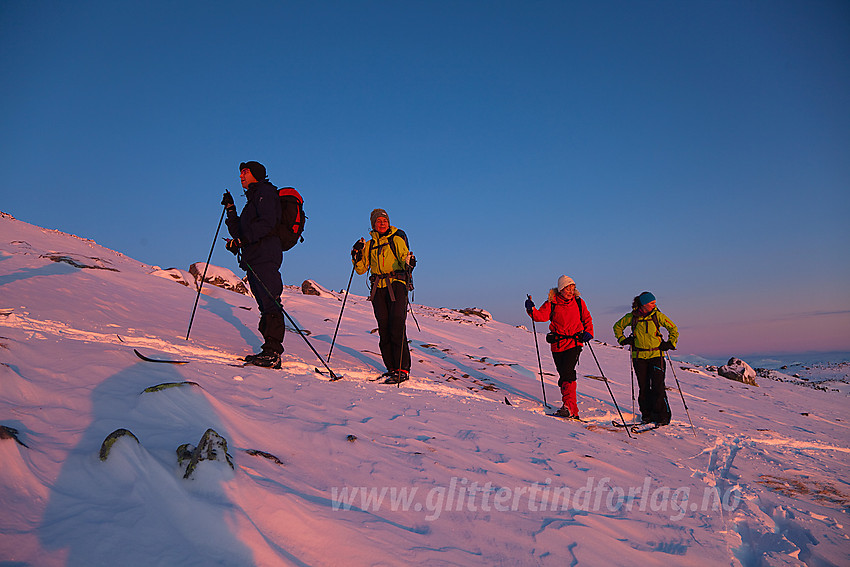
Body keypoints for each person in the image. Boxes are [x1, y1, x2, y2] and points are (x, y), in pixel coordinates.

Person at [222, 161, 284, 369]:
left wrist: (242, 240)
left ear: (255, 174)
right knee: (264, 304)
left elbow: (267, 223)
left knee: (271, 301)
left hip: (266, 254)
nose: (241, 176)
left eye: (245, 173)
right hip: (254, 257)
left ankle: (273, 353)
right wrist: (231, 209)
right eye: (240, 173)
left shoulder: (265, 193)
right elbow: (239, 231)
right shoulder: (252, 200)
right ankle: (268, 350)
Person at [351, 209, 415, 384]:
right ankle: (392, 368)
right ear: (373, 224)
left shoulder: (396, 239)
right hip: (378, 288)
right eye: (378, 221)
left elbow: (404, 258)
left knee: (397, 324)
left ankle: (402, 369)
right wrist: (356, 255)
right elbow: (361, 269)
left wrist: (409, 261)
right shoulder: (370, 244)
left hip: (397, 284)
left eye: (384, 220)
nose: (382, 223)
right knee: (384, 327)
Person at [525, 275, 594, 419]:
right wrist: (531, 309)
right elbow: (541, 317)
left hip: (574, 342)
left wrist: (588, 332)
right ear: (561, 289)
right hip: (557, 344)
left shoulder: (579, 302)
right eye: (567, 288)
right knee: (563, 374)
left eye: (572, 288)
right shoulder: (552, 303)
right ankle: (570, 408)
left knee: (568, 372)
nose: (571, 291)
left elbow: (587, 318)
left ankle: (569, 406)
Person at [613, 291, 679, 426]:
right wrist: (623, 340)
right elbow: (617, 326)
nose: (655, 305)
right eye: (652, 303)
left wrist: (670, 343)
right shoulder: (632, 317)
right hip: (639, 357)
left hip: (656, 355)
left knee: (658, 387)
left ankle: (662, 417)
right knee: (643, 387)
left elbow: (673, 328)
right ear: (643, 304)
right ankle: (646, 415)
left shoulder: (657, 316)